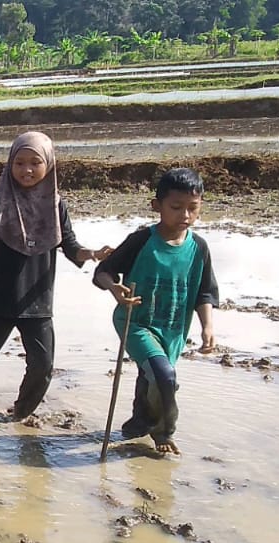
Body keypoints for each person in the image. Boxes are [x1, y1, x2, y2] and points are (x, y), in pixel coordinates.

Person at [0, 132, 113, 422]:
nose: (27, 170)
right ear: (10, 164)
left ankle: (20, 416)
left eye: (35, 163)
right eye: (19, 163)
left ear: (48, 165)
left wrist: (94, 253)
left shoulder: (55, 205)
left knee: (42, 366)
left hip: (37, 304)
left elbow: (70, 245)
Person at [94, 168, 218, 455]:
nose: (184, 215)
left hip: (173, 327)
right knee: (164, 377)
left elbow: (205, 291)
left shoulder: (199, 248)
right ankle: (163, 432)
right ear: (156, 206)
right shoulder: (141, 240)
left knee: (149, 374)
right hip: (135, 321)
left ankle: (137, 424)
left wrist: (207, 326)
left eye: (192, 208)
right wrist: (115, 289)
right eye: (176, 207)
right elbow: (104, 271)